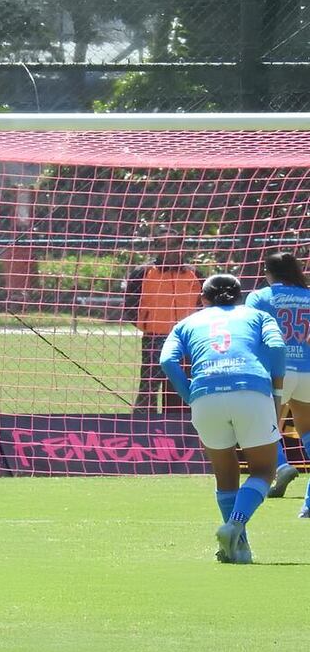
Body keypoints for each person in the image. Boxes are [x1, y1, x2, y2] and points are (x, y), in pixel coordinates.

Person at [160, 274, 286, 564]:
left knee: (225, 474)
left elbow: (166, 360)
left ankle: (238, 547)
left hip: (205, 395)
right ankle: (235, 525)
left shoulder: (186, 322)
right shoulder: (257, 315)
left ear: (203, 299)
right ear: (240, 296)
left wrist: (190, 394)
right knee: (264, 471)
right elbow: (277, 346)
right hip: (251, 391)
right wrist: (277, 391)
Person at [244, 251, 310, 512]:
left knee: (264, 428)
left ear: (267, 272)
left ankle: (281, 466)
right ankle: (308, 505)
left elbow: (249, 332)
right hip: (307, 369)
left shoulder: (259, 297)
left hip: (277, 373)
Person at [123, 225, 203, 413]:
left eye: (173, 243)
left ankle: (177, 433)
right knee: (148, 389)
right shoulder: (142, 273)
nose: (169, 248)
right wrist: (146, 323)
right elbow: (130, 305)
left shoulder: (195, 274)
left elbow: (203, 306)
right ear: (156, 247)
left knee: (180, 389)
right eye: (162, 244)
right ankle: (142, 431)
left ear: (180, 246)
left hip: (186, 341)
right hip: (154, 338)